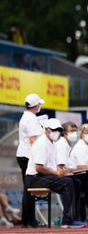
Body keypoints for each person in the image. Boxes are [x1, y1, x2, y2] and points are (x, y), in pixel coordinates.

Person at [25, 118, 86, 228]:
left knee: (75, 181)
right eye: (54, 129)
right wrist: (57, 173)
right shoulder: (42, 144)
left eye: (58, 129)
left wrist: (63, 171)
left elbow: (53, 165)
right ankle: (67, 221)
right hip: (35, 178)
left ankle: (75, 217)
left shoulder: (51, 143)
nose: (56, 132)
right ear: (46, 130)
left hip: (43, 176)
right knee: (67, 183)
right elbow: (39, 168)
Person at [15, 93, 45, 227]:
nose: (40, 106)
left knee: (28, 188)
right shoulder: (32, 119)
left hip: (23, 154)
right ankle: (29, 220)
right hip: (28, 156)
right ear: (35, 106)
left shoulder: (26, 117)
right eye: (39, 104)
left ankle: (27, 220)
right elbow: (34, 141)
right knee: (30, 188)